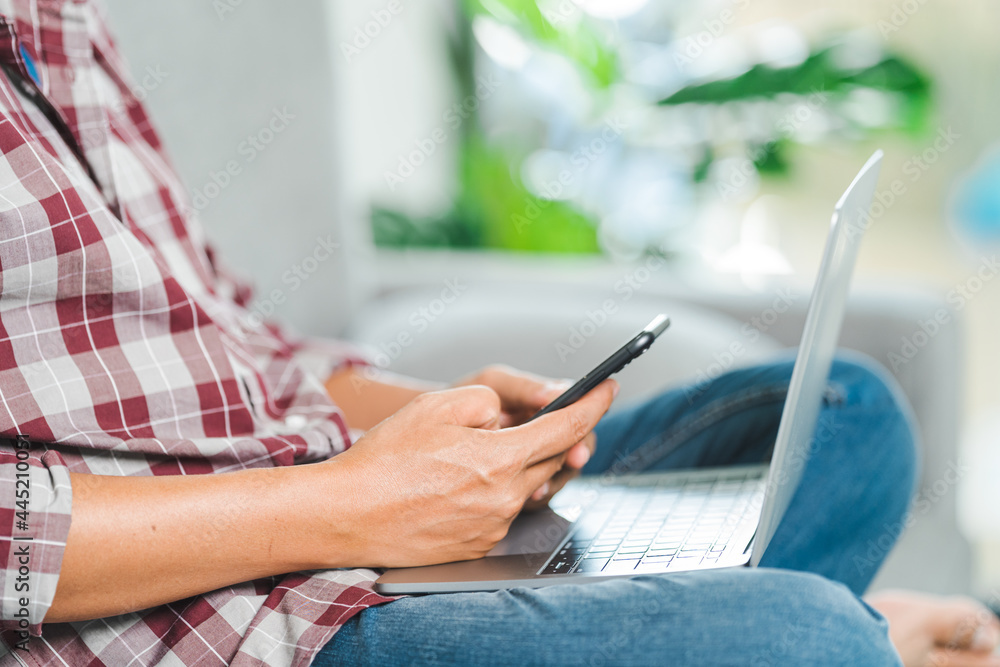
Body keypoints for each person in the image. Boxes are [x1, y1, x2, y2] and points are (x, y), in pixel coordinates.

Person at [0, 1, 995, 665]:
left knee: (845, 413)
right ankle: (854, 636)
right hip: (201, 616)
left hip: (318, 503)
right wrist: (347, 507)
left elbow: (219, 331)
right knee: (808, 637)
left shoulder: (55, 21)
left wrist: (440, 429)